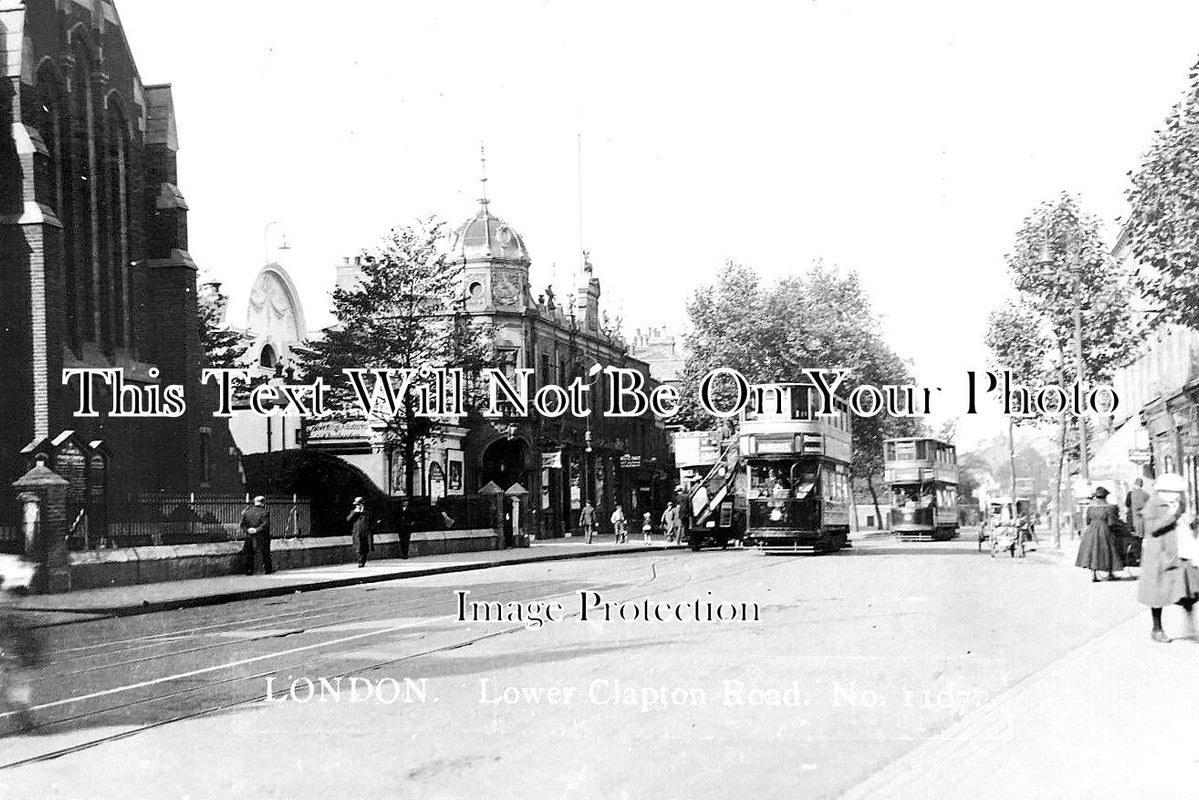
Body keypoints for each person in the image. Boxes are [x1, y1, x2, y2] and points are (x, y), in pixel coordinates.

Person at [1138, 474, 1199, 643]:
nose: (1178, 495)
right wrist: (1172, 516)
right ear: (1165, 491)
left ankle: (1190, 624)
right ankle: (1157, 628)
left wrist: (1191, 522)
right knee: (1157, 593)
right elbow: (1151, 529)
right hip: (1159, 553)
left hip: (1179, 550)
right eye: (1175, 492)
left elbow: (1181, 520)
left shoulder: (1177, 502)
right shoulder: (1153, 503)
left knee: (1189, 589)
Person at [1075, 487, 1122, 581]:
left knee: (1093, 552)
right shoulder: (1109, 508)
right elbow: (1111, 523)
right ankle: (1110, 573)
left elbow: (1088, 521)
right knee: (1108, 550)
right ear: (1105, 497)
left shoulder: (1090, 508)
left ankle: (1094, 574)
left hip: (1091, 531)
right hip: (1104, 531)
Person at [240, 496, 273, 575]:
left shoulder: (247, 512)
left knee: (249, 554)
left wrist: (248, 530)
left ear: (254, 502)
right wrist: (257, 530)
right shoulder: (265, 512)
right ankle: (267, 570)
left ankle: (249, 570)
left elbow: (242, 525)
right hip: (262, 536)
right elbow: (265, 524)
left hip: (249, 536)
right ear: (263, 502)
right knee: (265, 553)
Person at [348, 497, 372, 568]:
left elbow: (371, 520)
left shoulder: (367, 512)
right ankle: (360, 561)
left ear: (362, 504)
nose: (357, 506)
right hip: (357, 532)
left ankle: (363, 561)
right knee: (359, 547)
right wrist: (355, 512)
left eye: (358, 504)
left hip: (366, 532)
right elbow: (348, 519)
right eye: (356, 505)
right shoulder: (354, 512)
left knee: (365, 547)